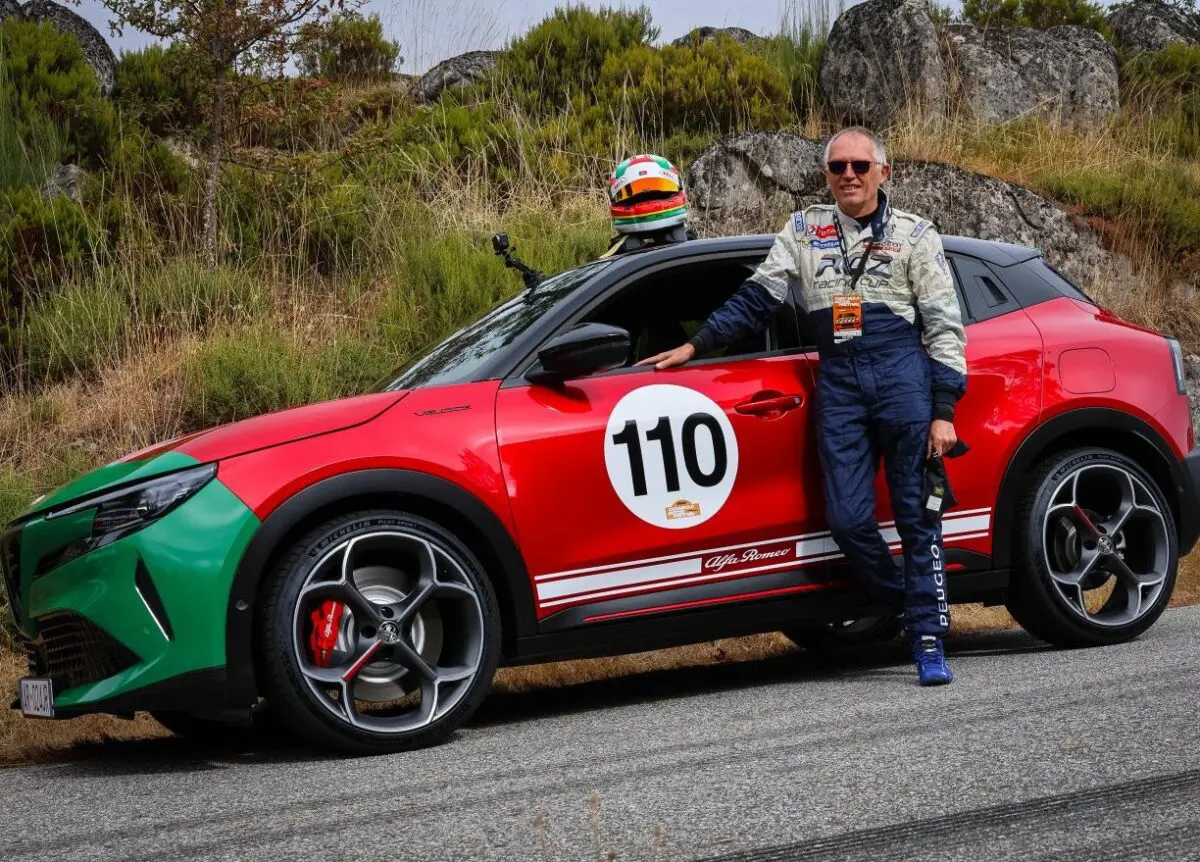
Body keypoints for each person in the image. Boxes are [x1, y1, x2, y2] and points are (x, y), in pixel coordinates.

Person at [637, 126, 967, 686]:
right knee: (847, 519)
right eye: (838, 166)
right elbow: (758, 297)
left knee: (916, 514)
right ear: (826, 174)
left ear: (883, 173)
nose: (849, 176)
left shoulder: (915, 235)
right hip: (837, 379)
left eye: (861, 166)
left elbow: (943, 326)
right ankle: (912, 604)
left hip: (900, 375)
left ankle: (928, 640)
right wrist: (697, 345)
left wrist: (943, 408)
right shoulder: (805, 228)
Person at [601, 154, 696, 258]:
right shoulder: (695, 251)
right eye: (638, 194)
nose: (647, 194)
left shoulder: (616, 264)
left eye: (658, 189)